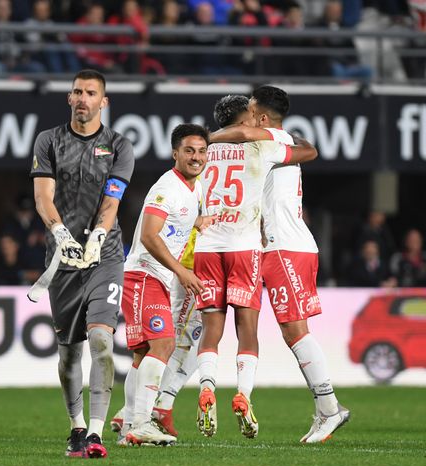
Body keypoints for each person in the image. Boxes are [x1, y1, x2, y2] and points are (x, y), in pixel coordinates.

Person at [208, 85, 350, 444]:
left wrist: (202, 139)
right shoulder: (283, 140)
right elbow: (307, 148)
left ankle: (330, 409)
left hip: (284, 246)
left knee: (295, 331)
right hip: (270, 247)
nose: (247, 117)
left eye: (252, 110)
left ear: (264, 118)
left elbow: (240, 132)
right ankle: (326, 409)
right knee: (287, 331)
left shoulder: (267, 135)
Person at [193, 94, 318, 439]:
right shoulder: (262, 146)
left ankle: (206, 386)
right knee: (247, 329)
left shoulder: (201, 152)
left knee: (211, 329)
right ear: (245, 118)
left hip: (206, 247)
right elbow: (306, 153)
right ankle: (243, 394)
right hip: (244, 246)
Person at [31, 69, 134, 458]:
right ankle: (75, 426)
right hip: (62, 260)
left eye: (91, 93)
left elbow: (112, 201)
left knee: (102, 341)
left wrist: (98, 237)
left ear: (103, 101)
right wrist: (60, 233)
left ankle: (95, 433)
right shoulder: (49, 141)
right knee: (69, 352)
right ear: (69, 98)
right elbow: (44, 197)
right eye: (77, 91)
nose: (82, 98)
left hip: (103, 257)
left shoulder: (119, 146)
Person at [119, 124, 213, 446]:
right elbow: (148, 235)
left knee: (143, 353)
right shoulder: (167, 188)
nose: (196, 157)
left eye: (201, 151)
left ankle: (128, 423)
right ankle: (142, 422)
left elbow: (180, 223)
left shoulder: (194, 187)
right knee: (164, 345)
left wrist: (199, 222)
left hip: (152, 277)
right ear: (176, 153)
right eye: (189, 150)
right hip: (145, 274)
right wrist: (182, 272)